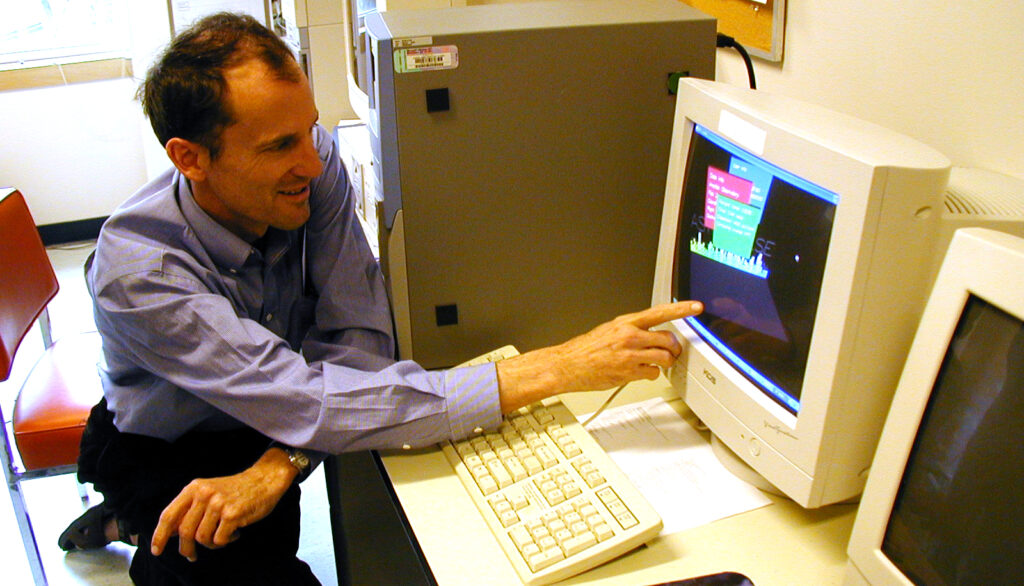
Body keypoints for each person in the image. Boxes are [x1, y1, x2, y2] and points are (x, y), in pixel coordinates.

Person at [58, 11, 703, 585]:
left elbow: (361, 337)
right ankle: (134, 524)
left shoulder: (314, 167)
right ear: (190, 158)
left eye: (308, 130)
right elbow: (308, 400)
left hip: (274, 409)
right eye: (280, 146)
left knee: (282, 505)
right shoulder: (138, 272)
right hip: (177, 440)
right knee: (220, 554)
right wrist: (556, 366)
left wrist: (285, 456)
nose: (312, 163)